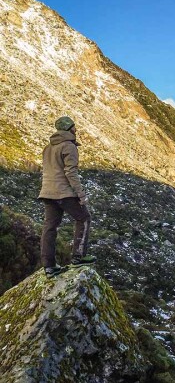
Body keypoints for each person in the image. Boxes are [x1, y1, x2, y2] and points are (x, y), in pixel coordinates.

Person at [38, 116, 96, 278]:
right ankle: (79, 257)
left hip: (48, 193)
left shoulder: (48, 147)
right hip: (64, 192)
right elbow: (71, 172)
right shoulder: (69, 146)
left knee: (50, 227)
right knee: (84, 218)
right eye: (74, 127)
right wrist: (81, 194)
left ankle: (49, 266)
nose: (76, 129)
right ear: (69, 129)